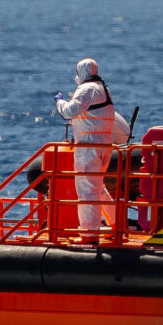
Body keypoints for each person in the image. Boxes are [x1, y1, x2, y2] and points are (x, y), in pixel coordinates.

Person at [55, 58, 127, 234]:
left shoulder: (86, 89)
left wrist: (59, 102)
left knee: (87, 191)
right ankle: (118, 223)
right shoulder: (105, 89)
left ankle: (89, 233)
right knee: (97, 186)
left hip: (88, 147)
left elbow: (69, 112)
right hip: (105, 145)